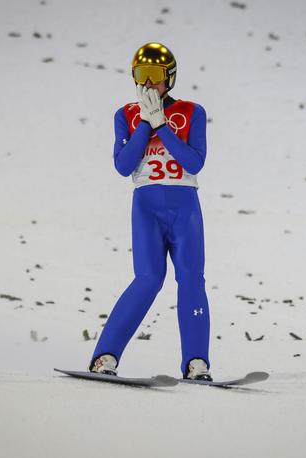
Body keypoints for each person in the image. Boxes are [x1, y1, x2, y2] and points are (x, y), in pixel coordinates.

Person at [88, 42, 212, 381]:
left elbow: (194, 161)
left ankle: (196, 362)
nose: (148, 84)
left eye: (155, 77)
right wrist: (145, 122)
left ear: (169, 78)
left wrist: (162, 125)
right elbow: (123, 165)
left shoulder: (192, 111)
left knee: (191, 279)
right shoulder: (125, 115)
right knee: (147, 280)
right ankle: (105, 356)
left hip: (185, 207)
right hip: (146, 208)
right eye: (141, 76)